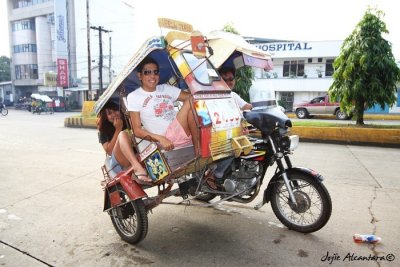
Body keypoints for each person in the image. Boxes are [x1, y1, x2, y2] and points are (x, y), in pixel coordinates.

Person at [127, 57, 198, 153]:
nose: (153, 76)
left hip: (182, 132)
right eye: (147, 72)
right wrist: (160, 138)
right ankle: (199, 151)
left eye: (155, 72)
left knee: (192, 107)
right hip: (166, 139)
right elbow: (137, 130)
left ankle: (199, 149)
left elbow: (195, 97)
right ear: (140, 75)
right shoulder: (134, 96)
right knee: (191, 100)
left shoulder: (165, 88)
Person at [204, 67, 253, 190]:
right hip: (219, 135)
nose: (228, 82)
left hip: (236, 132)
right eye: (224, 79)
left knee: (254, 146)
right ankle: (213, 174)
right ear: (218, 81)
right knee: (233, 148)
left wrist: (264, 105)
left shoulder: (233, 95)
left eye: (231, 79)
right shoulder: (213, 96)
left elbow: (247, 106)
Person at [97, 101, 151, 183]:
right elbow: (110, 151)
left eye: (115, 110)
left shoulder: (129, 120)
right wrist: (118, 129)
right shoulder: (103, 130)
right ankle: (136, 166)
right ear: (106, 117)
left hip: (139, 155)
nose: (114, 114)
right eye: (109, 113)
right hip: (120, 163)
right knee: (122, 134)